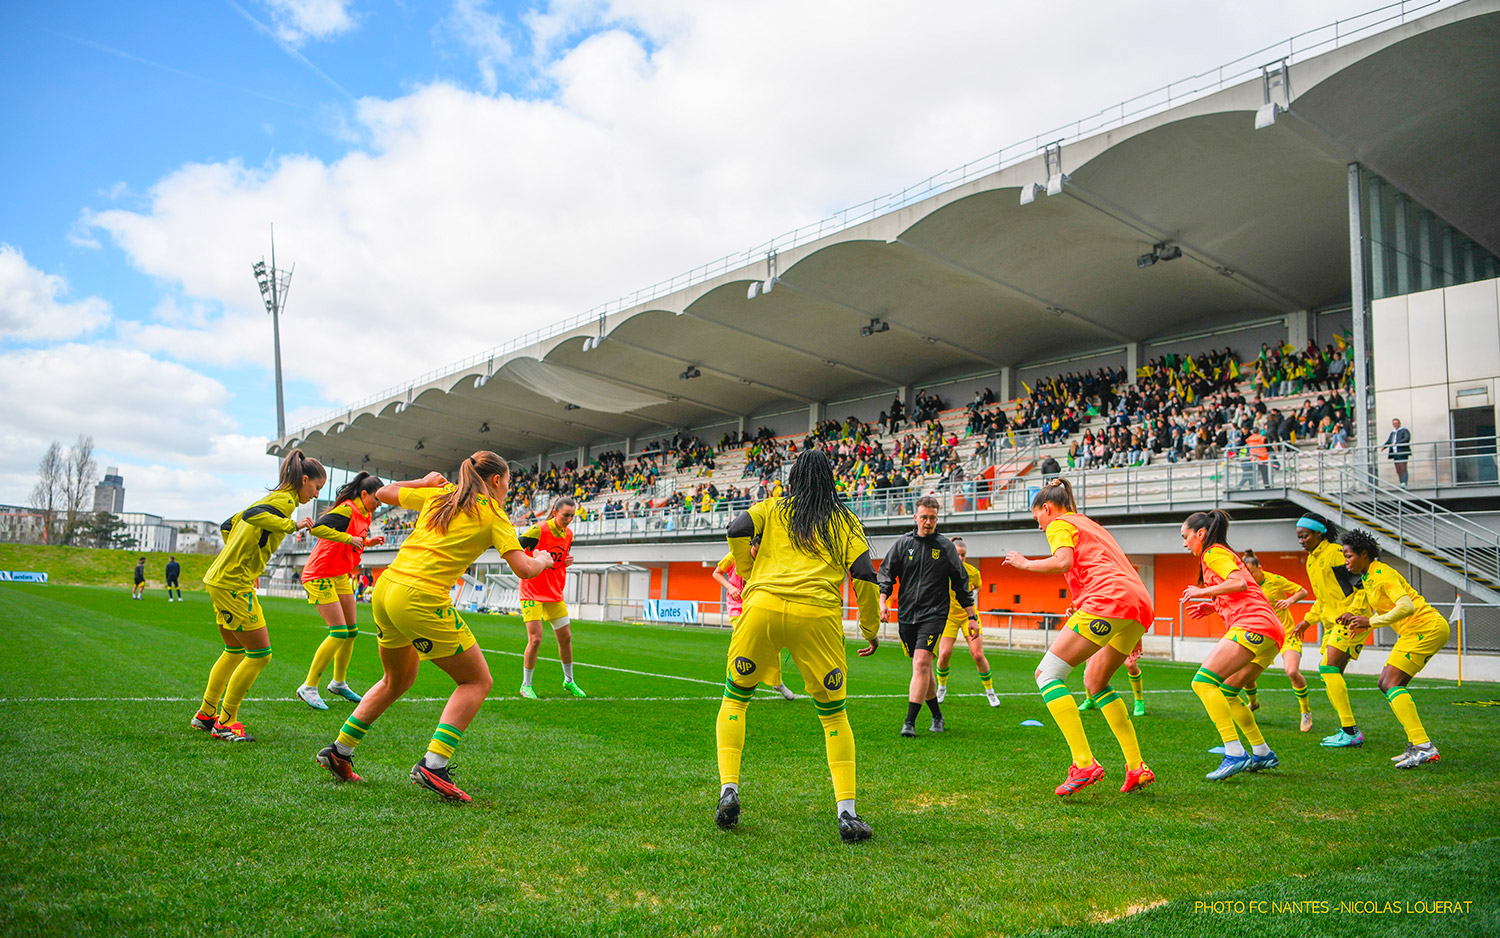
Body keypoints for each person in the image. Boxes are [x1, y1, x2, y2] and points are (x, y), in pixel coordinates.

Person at [314, 453, 554, 802]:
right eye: (508, 484)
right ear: (498, 481)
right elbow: (525, 569)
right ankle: (433, 764)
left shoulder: (441, 494)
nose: (507, 491)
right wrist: (544, 560)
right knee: (476, 681)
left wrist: (423, 483)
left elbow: (384, 494)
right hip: (420, 598)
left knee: (396, 680)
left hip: (386, 590)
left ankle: (340, 751)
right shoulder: (493, 514)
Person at [714, 449, 880, 842]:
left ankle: (729, 789)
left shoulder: (773, 508)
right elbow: (864, 575)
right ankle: (847, 813)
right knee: (834, 716)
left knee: (735, 700)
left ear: (793, 479)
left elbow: (737, 527)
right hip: (817, 618)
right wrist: (870, 628)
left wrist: (747, 570)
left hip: (761, 610)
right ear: (830, 480)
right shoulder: (844, 520)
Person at [1003, 478, 1154, 796]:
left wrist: (1024, 563)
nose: (1039, 525)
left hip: (1108, 602)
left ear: (1047, 508)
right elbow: (1104, 565)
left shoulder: (1058, 523)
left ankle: (1084, 763)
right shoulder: (1088, 523)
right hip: (1137, 604)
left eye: (1037, 518)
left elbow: (1063, 562)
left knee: (1046, 674)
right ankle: (1136, 767)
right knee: (1095, 683)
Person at [190, 450, 326, 742]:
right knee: (260, 654)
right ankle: (225, 722)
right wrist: (293, 525)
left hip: (222, 579)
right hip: (233, 584)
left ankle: (206, 714)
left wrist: (242, 557)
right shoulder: (285, 501)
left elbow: (228, 524)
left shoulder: (272, 499)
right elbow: (253, 517)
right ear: (304, 480)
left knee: (234, 650)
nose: (315, 496)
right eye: (316, 488)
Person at [1180, 511, 1284, 780]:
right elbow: (1244, 589)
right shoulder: (1220, 553)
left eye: (1185, 536)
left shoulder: (1212, 553)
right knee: (1228, 692)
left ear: (1200, 534)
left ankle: (1234, 752)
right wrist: (1212, 604)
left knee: (1202, 683)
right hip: (1270, 632)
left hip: (1253, 626)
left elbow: (1237, 583)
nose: (1184, 543)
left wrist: (1200, 591)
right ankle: (1261, 752)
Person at [1337, 531, 1450, 768]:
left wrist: (1370, 622)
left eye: (1348, 556)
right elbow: (1383, 608)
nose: (1346, 561)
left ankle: (1423, 746)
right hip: (1415, 630)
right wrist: (1359, 620)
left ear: (1364, 554)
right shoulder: (1369, 576)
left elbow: (1406, 607)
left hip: (1424, 627)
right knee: (1385, 683)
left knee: (1391, 683)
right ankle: (1416, 743)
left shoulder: (1381, 574)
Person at [879, 496, 977, 737]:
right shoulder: (903, 544)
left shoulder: (945, 547)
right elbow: (886, 573)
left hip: (934, 614)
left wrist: (971, 616)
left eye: (932, 518)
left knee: (922, 663)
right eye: (924, 517)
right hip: (906, 615)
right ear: (916, 517)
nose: (928, 522)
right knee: (923, 667)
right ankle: (937, 715)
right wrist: (883, 602)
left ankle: (909, 722)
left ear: (937, 519)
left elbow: (961, 583)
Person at [294, 472, 386, 710]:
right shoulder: (347, 509)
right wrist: (349, 539)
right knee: (338, 632)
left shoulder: (364, 514)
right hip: (320, 573)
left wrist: (367, 542)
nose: (379, 505)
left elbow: (351, 539)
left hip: (339, 573)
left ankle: (338, 683)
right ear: (364, 494)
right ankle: (309, 686)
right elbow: (316, 529)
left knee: (351, 631)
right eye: (377, 499)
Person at [1294, 513, 1365, 747]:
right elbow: (1323, 599)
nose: (1301, 541)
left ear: (1319, 533)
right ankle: (1348, 730)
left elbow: (1362, 585)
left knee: (1328, 669)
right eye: (1299, 537)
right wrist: (1308, 621)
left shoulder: (1335, 554)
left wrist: (1354, 612)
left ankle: (1351, 731)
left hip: (1350, 622)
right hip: (1331, 624)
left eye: (1304, 536)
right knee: (1331, 675)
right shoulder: (1313, 561)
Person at [518, 496, 586, 699]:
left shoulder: (569, 534)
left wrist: (566, 561)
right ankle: (526, 685)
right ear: (555, 513)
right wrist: (534, 562)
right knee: (536, 639)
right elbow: (515, 550)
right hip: (531, 592)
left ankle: (569, 681)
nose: (569, 519)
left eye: (572, 516)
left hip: (555, 592)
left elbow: (558, 559)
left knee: (566, 638)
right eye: (566, 515)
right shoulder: (538, 530)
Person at [712, 539, 796, 700]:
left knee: (771, 643)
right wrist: (730, 587)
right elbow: (716, 573)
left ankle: (777, 682)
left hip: (758, 607)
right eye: (755, 551)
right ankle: (738, 682)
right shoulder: (733, 556)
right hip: (737, 609)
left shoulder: (766, 560)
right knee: (743, 644)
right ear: (751, 546)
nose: (757, 555)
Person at [1242, 550, 1313, 731]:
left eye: (1251, 571)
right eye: (1245, 572)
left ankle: (1305, 712)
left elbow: (1302, 591)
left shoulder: (1274, 580)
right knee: (1246, 677)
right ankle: (1254, 703)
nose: (1249, 575)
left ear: (1260, 567)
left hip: (1287, 635)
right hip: (1263, 638)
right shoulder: (1245, 586)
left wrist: (1289, 600)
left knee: (1292, 671)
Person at [933, 537, 999, 708]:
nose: (960, 558)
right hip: (949, 617)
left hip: (969, 617)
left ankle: (990, 692)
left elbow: (978, 586)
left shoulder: (972, 572)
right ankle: (942, 688)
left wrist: (971, 595)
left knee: (977, 654)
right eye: (957, 554)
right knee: (944, 654)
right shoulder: (940, 571)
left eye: (963, 555)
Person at [1384, 418, 1411, 486]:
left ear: (1399, 423)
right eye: (1393, 424)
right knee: (1398, 468)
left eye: (1396, 423)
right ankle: (1401, 481)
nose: (1395, 425)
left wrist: (1397, 443)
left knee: (1403, 467)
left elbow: (1407, 438)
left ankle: (1404, 482)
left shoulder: (1404, 430)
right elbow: (1389, 441)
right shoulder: (1393, 433)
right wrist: (1384, 447)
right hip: (1395, 452)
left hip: (1402, 451)